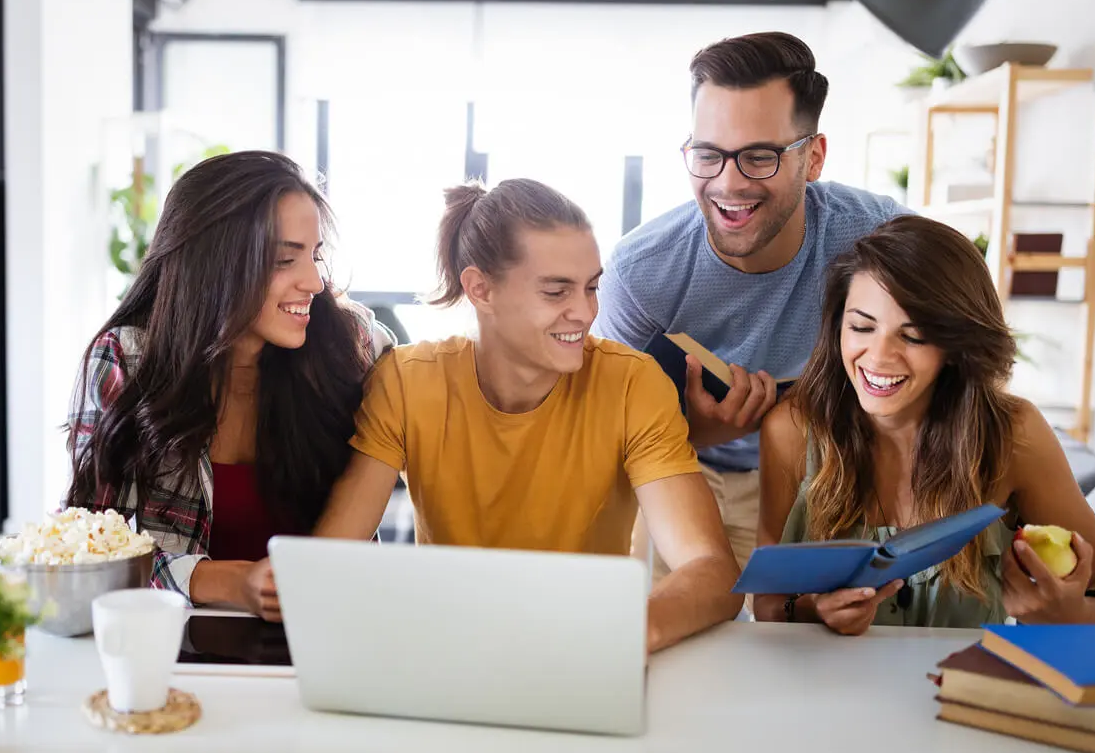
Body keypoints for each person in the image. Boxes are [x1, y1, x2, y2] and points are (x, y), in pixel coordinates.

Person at [312, 178, 744, 653]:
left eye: (591, 288)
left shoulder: (632, 385)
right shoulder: (407, 382)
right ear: (481, 290)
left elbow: (711, 569)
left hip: (587, 654)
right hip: (450, 653)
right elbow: (329, 558)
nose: (584, 312)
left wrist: (633, 632)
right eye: (557, 292)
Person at [593, 31, 911, 581]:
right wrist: (697, 432)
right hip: (682, 470)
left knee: (813, 652)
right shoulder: (642, 271)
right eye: (709, 155)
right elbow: (596, 428)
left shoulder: (878, 237)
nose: (729, 183)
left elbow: (946, 364)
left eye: (759, 157)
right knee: (667, 646)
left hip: (826, 473)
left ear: (813, 158)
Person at [754, 216, 1095, 633]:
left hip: (962, 692)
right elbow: (768, 603)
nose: (878, 357)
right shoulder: (791, 430)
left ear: (955, 344)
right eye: (861, 327)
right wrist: (813, 611)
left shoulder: (1013, 435)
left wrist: (1075, 614)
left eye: (912, 336)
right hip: (821, 692)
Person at [64, 150, 392, 620]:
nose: (314, 282)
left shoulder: (350, 344)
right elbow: (84, 552)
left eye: (315, 255)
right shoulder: (126, 363)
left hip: (334, 638)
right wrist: (226, 581)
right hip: (180, 653)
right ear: (215, 264)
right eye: (285, 259)